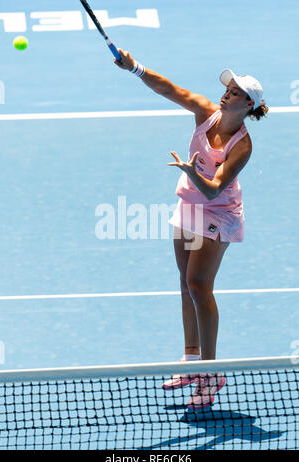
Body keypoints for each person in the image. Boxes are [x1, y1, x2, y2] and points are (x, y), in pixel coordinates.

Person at [114, 51, 268, 409]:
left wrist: (190, 171)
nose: (226, 94)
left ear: (247, 104)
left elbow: (214, 187)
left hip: (218, 211)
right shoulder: (204, 112)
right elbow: (169, 89)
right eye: (227, 89)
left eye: (234, 92)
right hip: (189, 205)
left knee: (200, 284)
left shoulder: (242, 146)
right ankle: (191, 359)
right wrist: (135, 68)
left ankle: (212, 373)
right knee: (185, 282)